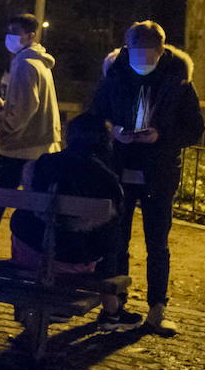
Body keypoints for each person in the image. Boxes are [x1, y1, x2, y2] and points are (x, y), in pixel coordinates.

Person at [89, 20, 205, 337]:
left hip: (159, 172)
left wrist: (161, 136)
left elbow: (194, 128)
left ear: (160, 50)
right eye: (136, 53)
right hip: (120, 169)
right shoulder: (114, 74)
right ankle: (115, 307)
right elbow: (94, 117)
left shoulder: (178, 78)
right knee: (117, 242)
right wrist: (114, 132)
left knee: (158, 244)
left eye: (148, 54)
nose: (142, 60)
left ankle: (157, 309)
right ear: (127, 50)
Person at [9, 112, 140, 331]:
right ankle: (112, 311)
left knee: (28, 223)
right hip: (70, 262)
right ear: (104, 142)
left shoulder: (43, 164)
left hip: (29, 254)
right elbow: (109, 243)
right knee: (109, 244)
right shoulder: (106, 180)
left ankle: (36, 304)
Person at [0, 13, 61, 254]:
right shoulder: (39, 63)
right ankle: (32, 253)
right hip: (40, 146)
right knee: (31, 204)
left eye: (15, 31)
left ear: (31, 35)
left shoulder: (25, 65)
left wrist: (4, 128)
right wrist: (7, 105)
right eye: (9, 30)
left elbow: (24, 109)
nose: (10, 36)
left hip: (20, 147)